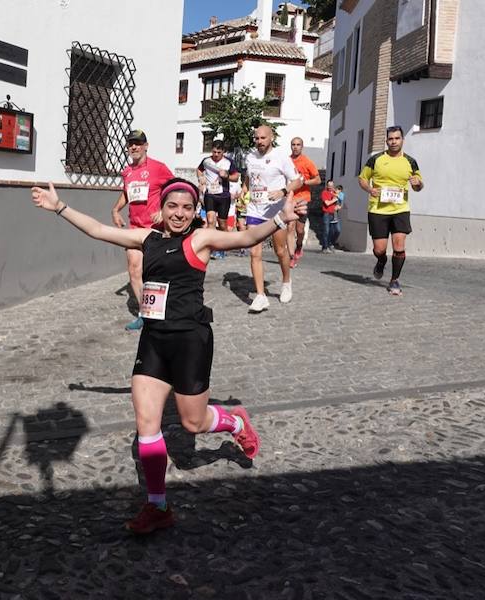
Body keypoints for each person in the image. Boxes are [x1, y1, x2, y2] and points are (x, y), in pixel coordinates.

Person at [31, 177, 308, 534]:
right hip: (153, 342)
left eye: (186, 208)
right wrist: (60, 208)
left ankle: (235, 422)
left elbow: (244, 238)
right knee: (147, 426)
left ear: (195, 212)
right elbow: (99, 230)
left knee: (193, 423)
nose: (179, 213)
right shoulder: (146, 238)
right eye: (172, 206)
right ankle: (158, 505)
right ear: (162, 208)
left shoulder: (201, 239)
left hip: (191, 340)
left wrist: (280, 220)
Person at [111, 130, 174, 330]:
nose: (134, 147)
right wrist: (115, 209)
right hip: (134, 228)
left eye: (138, 143)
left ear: (146, 146)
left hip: (154, 229)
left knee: (155, 272)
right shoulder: (127, 172)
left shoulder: (158, 168)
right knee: (134, 270)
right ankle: (144, 313)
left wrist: (164, 212)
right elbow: (127, 193)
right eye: (131, 144)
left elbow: (175, 188)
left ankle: (166, 309)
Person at [358, 125, 423, 296]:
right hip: (378, 210)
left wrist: (417, 184)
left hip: (400, 209)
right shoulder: (376, 159)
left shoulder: (410, 161)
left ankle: (394, 280)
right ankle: (381, 261)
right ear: (386, 140)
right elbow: (362, 179)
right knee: (379, 249)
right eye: (391, 139)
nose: (394, 141)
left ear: (403, 140)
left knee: (399, 246)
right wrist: (370, 189)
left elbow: (418, 186)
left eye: (397, 138)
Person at [244, 125, 302, 312]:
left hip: (276, 211)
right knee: (254, 253)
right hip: (254, 210)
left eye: (263, 138)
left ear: (271, 138)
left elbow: (297, 180)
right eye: (256, 138)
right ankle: (261, 296)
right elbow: (249, 177)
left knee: (279, 250)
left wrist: (283, 191)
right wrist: (244, 189)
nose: (259, 141)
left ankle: (286, 281)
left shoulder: (281, 157)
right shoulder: (250, 156)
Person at [196, 140, 240, 259]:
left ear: (223, 152)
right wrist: (201, 177)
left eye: (218, 152)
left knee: (222, 224)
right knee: (210, 220)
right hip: (210, 194)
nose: (216, 154)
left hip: (223, 196)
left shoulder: (228, 162)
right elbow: (199, 170)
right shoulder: (206, 161)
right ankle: (211, 247)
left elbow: (236, 177)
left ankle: (223, 248)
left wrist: (227, 176)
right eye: (214, 152)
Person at [288, 137, 321, 267]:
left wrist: (304, 182)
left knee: (299, 230)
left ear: (302, 146)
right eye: (293, 144)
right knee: (290, 227)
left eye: (298, 145)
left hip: (303, 198)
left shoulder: (307, 162)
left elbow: (318, 180)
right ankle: (291, 256)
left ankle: (299, 245)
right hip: (290, 198)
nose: (295, 147)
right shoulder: (287, 160)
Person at [320, 180, 337, 253]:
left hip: (334, 214)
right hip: (326, 214)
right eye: (329, 186)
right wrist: (334, 200)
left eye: (332, 186)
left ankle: (330, 244)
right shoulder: (324, 193)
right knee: (326, 231)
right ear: (327, 186)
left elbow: (339, 202)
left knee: (335, 230)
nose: (330, 187)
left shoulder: (334, 193)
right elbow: (327, 203)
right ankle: (325, 247)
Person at [329, 184, 345, 250]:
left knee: (338, 230)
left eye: (338, 190)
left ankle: (332, 242)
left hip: (336, 215)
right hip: (331, 214)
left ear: (340, 190)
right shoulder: (333, 193)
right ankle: (329, 244)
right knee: (331, 231)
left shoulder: (341, 195)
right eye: (336, 189)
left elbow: (341, 201)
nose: (336, 190)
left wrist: (340, 207)